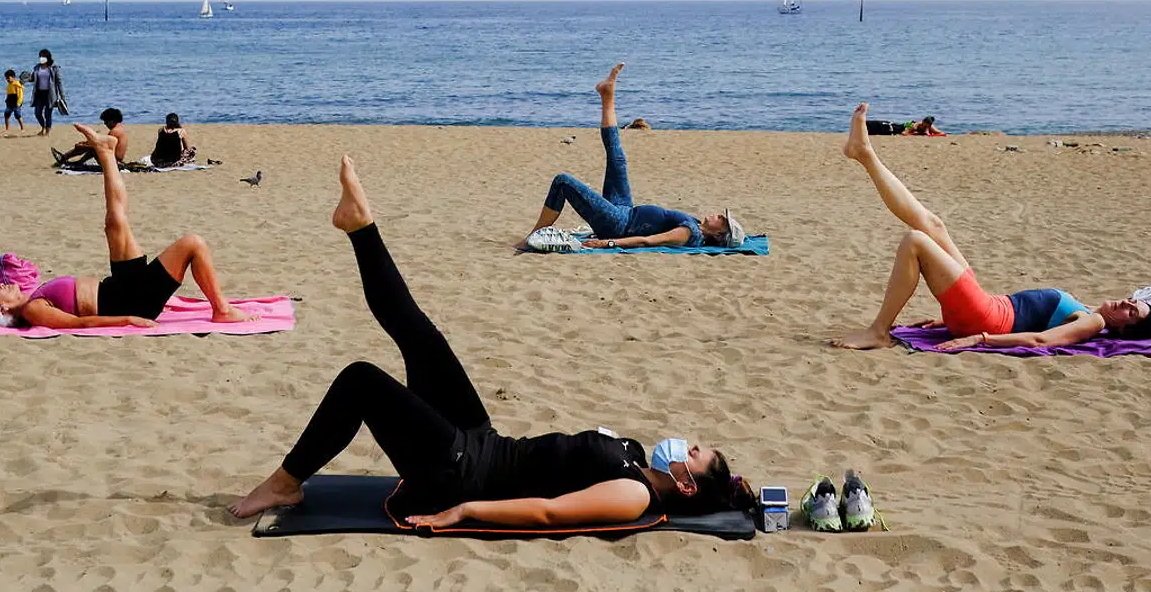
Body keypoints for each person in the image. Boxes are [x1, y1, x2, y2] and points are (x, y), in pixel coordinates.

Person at [229, 157, 756, 525]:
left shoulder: (633, 496)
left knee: (361, 381)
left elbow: (548, 512)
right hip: (482, 442)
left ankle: (285, 483)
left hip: (461, 475)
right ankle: (360, 227)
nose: (683, 444)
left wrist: (466, 511)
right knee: (421, 336)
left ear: (686, 484)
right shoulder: (634, 456)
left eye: (693, 453)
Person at [830, 103, 1151, 351]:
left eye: (1131, 313)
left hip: (985, 318)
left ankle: (879, 331)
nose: (1125, 304)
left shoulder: (1093, 322)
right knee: (934, 225)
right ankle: (864, 154)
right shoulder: (1088, 310)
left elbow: (1040, 340)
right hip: (984, 306)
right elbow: (1030, 318)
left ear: (1124, 330)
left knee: (916, 240)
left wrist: (979, 338)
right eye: (1131, 301)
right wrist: (950, 319)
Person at [0, 124, 256, 329]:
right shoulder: (33, 311)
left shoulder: (32, 297)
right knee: (193, 243)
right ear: (1, 308)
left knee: (114, 221)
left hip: (121, 287)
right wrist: (128, 319)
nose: (0, 286)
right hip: (132, 301)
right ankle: (222, 310)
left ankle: (106, 152)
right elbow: (81, 324)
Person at [517, 64, 745, 250]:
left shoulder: (690, 233)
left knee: (563, 181)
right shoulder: (695, 226)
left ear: (719, 234)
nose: (718, 215)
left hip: (619, 225)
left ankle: (534, 236)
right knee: (617, 158)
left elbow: (648, 241)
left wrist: (608, 242)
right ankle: (607, 94)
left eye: (722, 220)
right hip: (625, 209)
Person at [52, 108, 127, 168]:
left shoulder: (114, 132)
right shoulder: (120, 129)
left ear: (112, 121)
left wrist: (83, 146)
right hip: (115, 160)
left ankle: (64, 157)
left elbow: (104, 146)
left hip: (113, 162)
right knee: (90, 146)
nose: (105, 124)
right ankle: (76, 161)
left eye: (106, 121)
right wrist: (86, 144)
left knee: (90, 147)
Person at [28, 50, 65, 136]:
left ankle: (47, 131)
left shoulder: (54, 68)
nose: (41, 58)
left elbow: (59, 82)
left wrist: (62, 96)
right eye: (40, 56)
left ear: (48, 57)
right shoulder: (37, 67)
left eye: (43, 56)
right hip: (39, 94)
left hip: (50, 94)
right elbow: (32, 78)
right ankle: (43, 127)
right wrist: (25, 78)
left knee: (47, 114)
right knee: (37, 113)